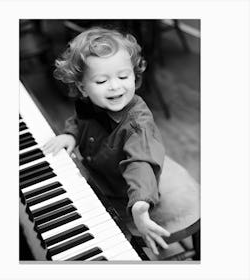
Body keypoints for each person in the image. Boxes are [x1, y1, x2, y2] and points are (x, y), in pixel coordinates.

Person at [43, 27, 200, 256]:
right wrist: (71, 134)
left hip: (127, 191)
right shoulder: (92, 104)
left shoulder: (137, 124)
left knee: (109, 241)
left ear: (134, 77)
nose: (115, 86)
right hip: (100, 174)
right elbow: (79, 120)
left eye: (123, 77)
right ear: (82, 88)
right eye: (102, 80)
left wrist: (140, 204)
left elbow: (140, 163)